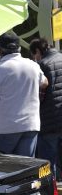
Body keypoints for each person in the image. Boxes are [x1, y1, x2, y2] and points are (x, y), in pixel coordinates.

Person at [0, 32, 48, 156]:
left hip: (6, 127)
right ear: (19, 48)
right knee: (26, 168)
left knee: (3, 168)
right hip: (30, 125)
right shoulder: (33, 65)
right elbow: (45, 83)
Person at [30, 37, 62, 178]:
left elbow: (39, 96)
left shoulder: (42, 65)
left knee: (48, 161)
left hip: (49, 119)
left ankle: (52, 190)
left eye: (34, 55)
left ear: (38, 51)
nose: (35, 58)